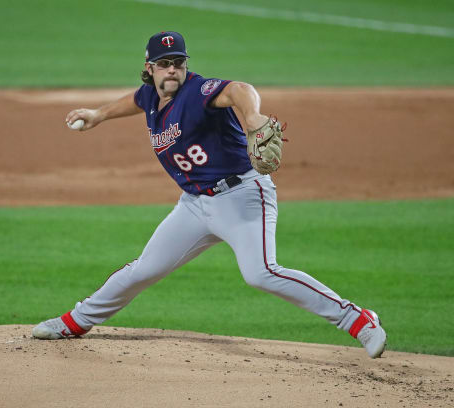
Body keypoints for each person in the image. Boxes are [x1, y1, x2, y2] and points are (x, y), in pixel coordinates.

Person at [32, 31, 387, 358]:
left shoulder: (198, 91)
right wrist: (98, 114)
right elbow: (137, 100)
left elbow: (239, 89)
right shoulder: (151, 95)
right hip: (194, 206)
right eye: (164, 64)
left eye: (179, 63)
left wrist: (252, 117)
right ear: (149, 68)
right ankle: (74, 322)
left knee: (260, 272)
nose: (172, 70)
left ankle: (358, 321)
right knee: (144, 269)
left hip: (243, 196)